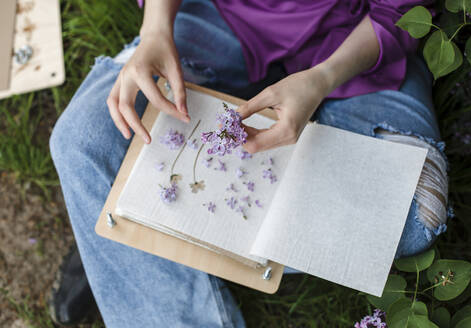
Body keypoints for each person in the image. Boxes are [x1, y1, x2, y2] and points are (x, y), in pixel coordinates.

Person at [48, 0, 450, 326]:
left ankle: (127, 236)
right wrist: (154, 31)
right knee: (84, 141)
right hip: (224, 17)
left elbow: (399, 12)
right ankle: (127, 235)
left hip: (355, 47)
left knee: (414, 213)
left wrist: (323, 77)